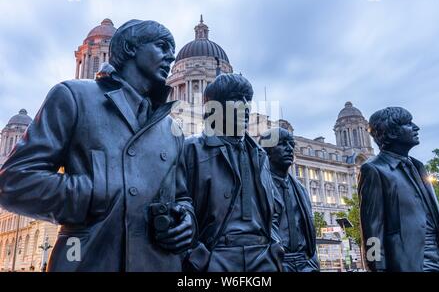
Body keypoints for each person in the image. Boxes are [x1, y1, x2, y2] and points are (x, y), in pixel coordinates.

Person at [0, 19, 196, 271]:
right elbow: (14, 181)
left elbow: (182, 196)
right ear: (131, 47)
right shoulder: (73, 97)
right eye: (162, 46)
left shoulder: (172, 128)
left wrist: (187, 219)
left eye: (172, 49)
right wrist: (95, 192)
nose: (171, 57)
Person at [183, 73, 284, 272]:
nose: (245, 106)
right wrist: (197, 256)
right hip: (216, 256)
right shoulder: (191, 149)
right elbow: (180, 202)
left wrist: (275, 245)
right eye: (237, 99)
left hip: (263, 257)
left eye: (248, 100)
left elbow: (271, 209)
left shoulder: (261, 155)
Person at [358, 106, 439, 272]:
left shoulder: (418, 166)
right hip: (410, 263)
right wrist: (377, 268)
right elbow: (372, 231)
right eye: (408, 124)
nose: (416, 127)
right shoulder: (374, 170)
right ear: (392, 132)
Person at [260, 127, 319, 272]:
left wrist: (313, 261)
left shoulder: (301, 189)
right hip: (275, 262)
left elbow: (309, 230)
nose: (289, 149)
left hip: (305, 263)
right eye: (282, 143)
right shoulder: (258, 186)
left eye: (291, 144)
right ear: (267, 150)